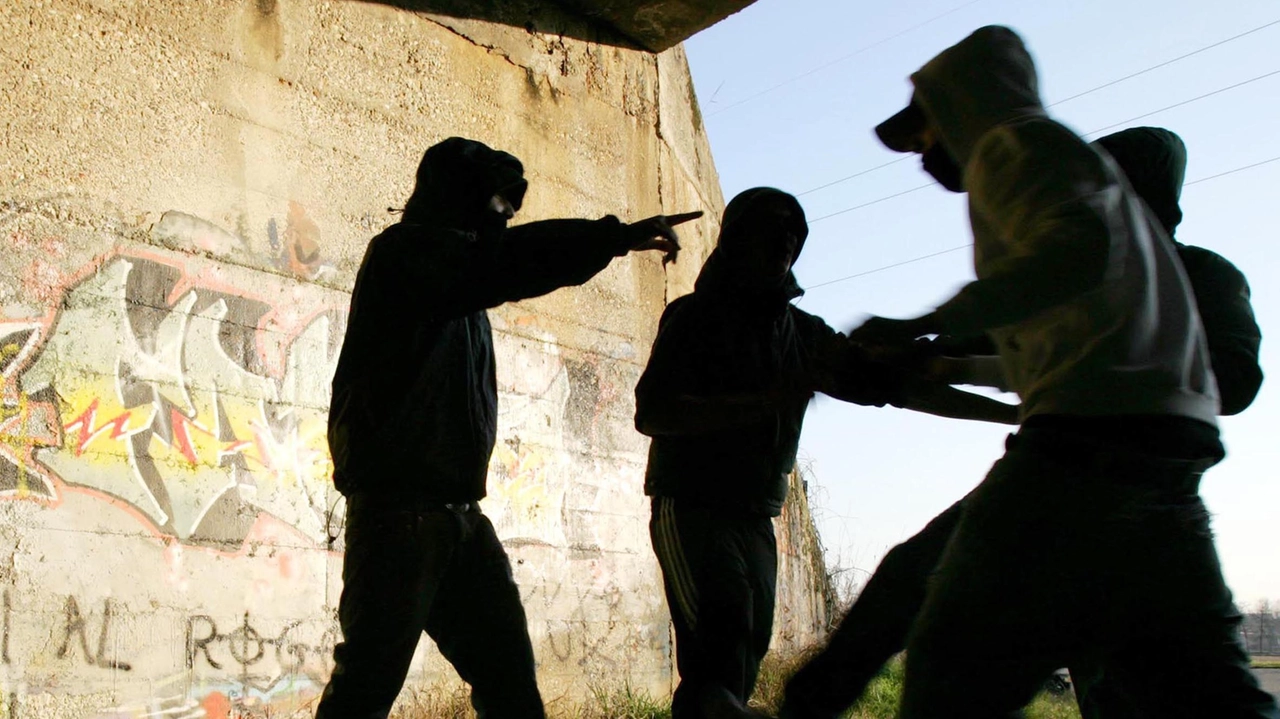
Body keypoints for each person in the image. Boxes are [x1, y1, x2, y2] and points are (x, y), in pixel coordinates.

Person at [819, 26, 1277, 718]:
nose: (921, 157)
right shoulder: (1139, 271)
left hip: (1078, 461)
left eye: (926, 133)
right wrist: (950, 363)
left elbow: (1078, 254)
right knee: (1213, 693)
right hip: (1161, 469)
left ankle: (808, 701)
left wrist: (921, 324)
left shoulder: (1014, 148)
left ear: (963, 109)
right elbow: (1061, 355)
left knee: (948, 661)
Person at [316, 136, 701, 719]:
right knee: (366, 688)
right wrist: (612, 236)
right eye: (496, 206)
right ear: (458, 200)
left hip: (460, 520)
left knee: (511, 689)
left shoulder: (461, 284)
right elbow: (510, 261)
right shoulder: (408, 256)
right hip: (400, 519)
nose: (503, 221)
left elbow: (499, 262)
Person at [634, 187, 1017, 719]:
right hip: (693, 507)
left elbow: (898, 385)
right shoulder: (694, 318)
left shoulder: (800, 334)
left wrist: (1022, 413)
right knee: (716, 664)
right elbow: (653, 414)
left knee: (740, 664)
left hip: (756, 515)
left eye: (794, 235)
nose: (784, 245)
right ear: (737, 240)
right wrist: (764, 402)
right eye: (770, 233)